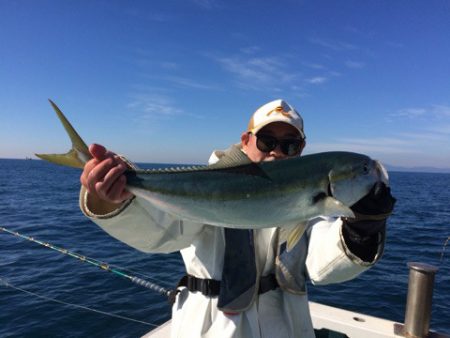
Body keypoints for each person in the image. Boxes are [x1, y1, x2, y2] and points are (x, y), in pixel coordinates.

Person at [79, 99, 395, 338]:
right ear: (245, 141)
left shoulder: (310, 203)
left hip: (284, 325)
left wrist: (362, 229)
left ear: (302, 149)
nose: (277, 152)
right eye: (267, 141)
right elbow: (164, 232)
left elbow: (320, 263)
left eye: (289, 144)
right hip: (210, 326)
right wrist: (116, 196)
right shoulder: (209, 184)